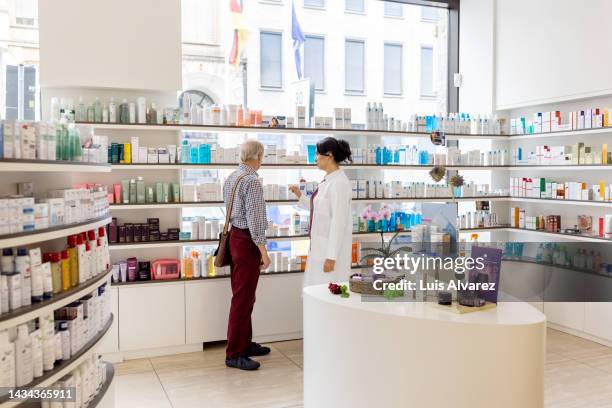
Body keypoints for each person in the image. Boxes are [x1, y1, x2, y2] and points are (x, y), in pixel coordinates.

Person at [223, 139, 272, 371]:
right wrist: (263, 251)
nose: (262, 161)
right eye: (262, 157)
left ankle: (245, 343)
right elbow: (255, 219)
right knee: (243, 299)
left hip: (235, 238)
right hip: (247, 242)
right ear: (258, 156)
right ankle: (234, 353)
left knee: (244, 295)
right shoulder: (251, 181)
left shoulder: (232, 177)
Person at [289, 137, 353, 287]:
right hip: (319, 249)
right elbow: (319, 209)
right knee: (315, 291)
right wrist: (300, 195)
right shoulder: (328, 181)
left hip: (330, 255)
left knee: (327, 294)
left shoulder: (340, 184)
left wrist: (331, 257)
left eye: (317, 154)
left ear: (329, 155)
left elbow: (339, 222)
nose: (315, 158)